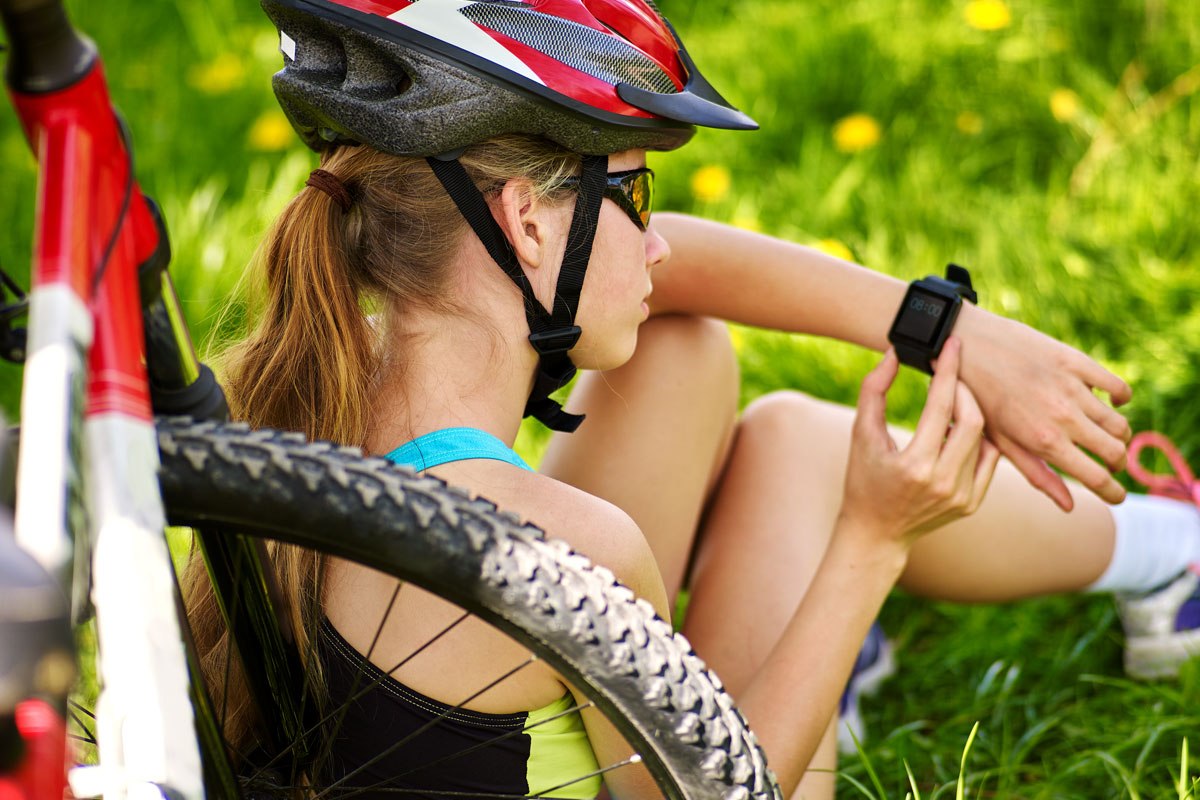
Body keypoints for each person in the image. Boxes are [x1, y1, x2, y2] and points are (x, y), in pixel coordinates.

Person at [184, 1, 1200, 798]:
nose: (660, 239)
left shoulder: (307, 383)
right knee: (806, 456)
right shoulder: (559, 550)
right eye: (635, 195)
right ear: (525, 223)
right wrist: (873, 541)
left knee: (681, 350)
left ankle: (1165, 553)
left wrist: (949, 330)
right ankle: (1171, 556)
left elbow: (668, 282)